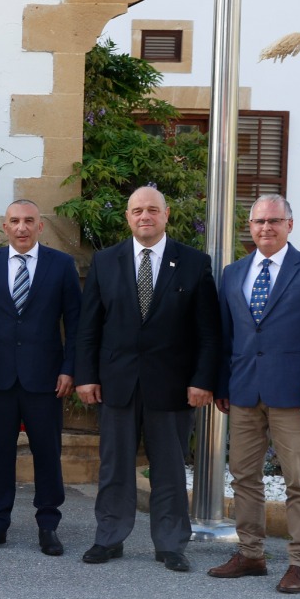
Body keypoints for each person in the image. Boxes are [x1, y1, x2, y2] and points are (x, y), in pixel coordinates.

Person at [74, 185, 219, 572]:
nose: (145, 216)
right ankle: (109, 537)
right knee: (114, 467)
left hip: (172, 385)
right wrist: (85, 376)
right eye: (137, 210)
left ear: (166, 214)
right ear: (128, 217)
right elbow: (88, 327)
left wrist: (203, 380)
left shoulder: (193, 263)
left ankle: (170, 544)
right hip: (116, 384)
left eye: (152, 210)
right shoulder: (105, 261)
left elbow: (208, 332)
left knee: (169, 469)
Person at [210, 195, 300, 595]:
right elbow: (226, 336)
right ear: (250, 226)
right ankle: (250, 554)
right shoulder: (233, 273)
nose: (266, 227)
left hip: (295, 396)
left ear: (290, 225)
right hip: (244, 393)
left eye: (274, 220)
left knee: (299, 482)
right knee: (244, 477)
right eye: (259, 221)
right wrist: (222, 385)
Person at [0, 199, 81, 556]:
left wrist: (69, 369)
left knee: (47, 453)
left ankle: (48, 525)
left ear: (40, 226)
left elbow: (76, 324)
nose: (22, 227)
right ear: (5, 227)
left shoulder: (61, 265)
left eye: (29, 220)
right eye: (15, 221)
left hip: (46, 379)